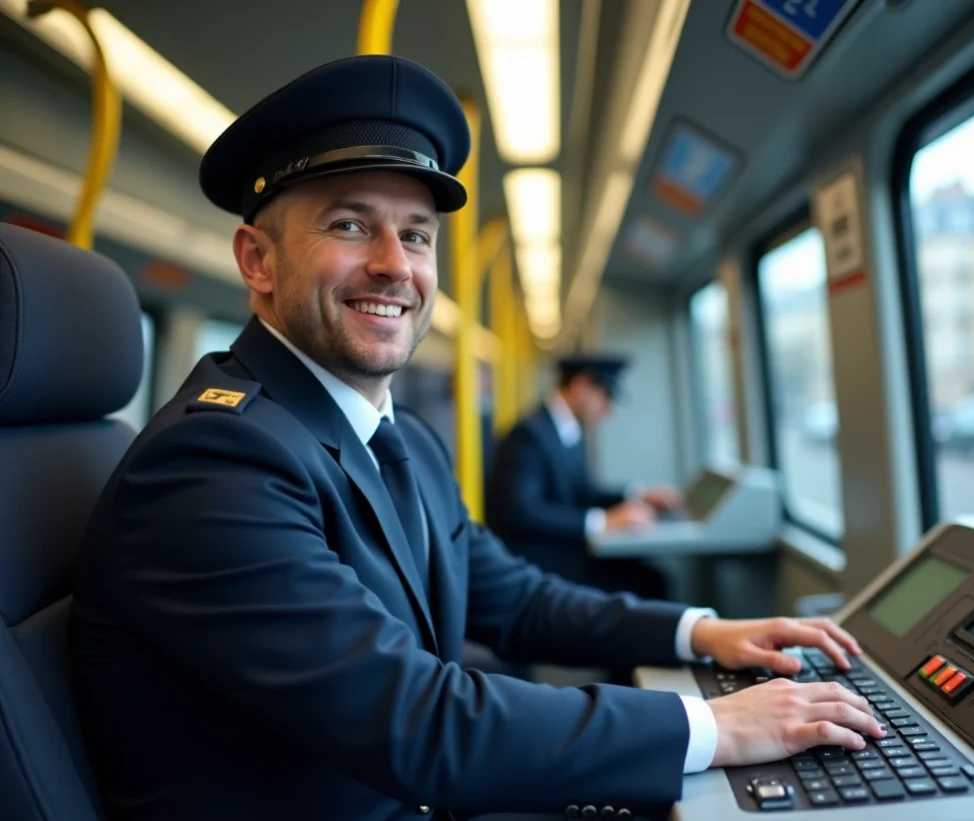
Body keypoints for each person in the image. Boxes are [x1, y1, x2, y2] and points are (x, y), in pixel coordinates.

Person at [68, 54, 885, 821]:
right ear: (258, 259)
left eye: (417, 234)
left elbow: (516, 597)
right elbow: (416, 717)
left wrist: (698, 632)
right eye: (350, 225)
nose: (396, 265)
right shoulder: (212, 463)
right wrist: (715, 727)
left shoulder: (406, 441)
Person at [485, 354, 681, 601]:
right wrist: (603, 522)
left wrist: (638, 494)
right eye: (605, 397)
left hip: (561, 551)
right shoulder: (528, 435)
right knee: (650, 582)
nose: (607, 410)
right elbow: (522, 511)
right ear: (581, 387)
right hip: (539, 562)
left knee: (646, 572)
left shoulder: (564, 429)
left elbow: (582, 491)